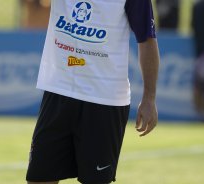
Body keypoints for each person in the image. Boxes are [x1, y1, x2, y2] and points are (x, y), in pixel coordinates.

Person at [26, 0, 160, 183]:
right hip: (58, 90)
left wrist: (149, 98)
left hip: (104, 100)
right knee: (39, 178)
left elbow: (147, 39)